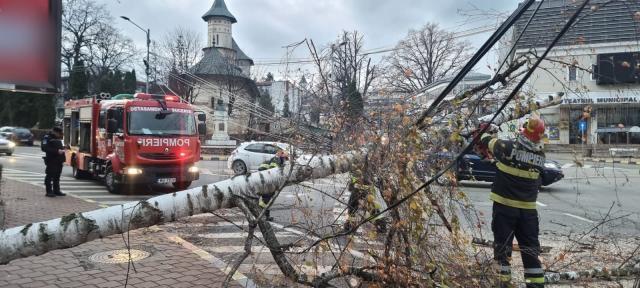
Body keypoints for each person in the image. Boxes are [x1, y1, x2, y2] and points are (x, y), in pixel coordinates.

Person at [478, 114, 546, 288]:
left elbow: (486, 139)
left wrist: (485, 129)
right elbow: (515, 167)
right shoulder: (540, 157)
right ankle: (535, 284)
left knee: (502, 250)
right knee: (531, 252)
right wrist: (495, 163)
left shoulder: (506, 147)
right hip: (528, 214)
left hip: (505, 209)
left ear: (524, 133)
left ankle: (503, 284)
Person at [257, 149, 288, 221]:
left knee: (267, 199)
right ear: (282, 155)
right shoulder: (276, 160)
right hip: (267, 181)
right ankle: (261, 214)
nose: (285, 160)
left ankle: (264, 215)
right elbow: (273, 172)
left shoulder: (276, 159)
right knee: (267, 199)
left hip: (264, 180)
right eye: (285, 158)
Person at [43, 127, 67, 197]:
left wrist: (64, 147)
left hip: (59, 160)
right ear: (54, 132)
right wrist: (57, 151)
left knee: (57, 176)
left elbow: (60, 146)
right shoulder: (47, 138)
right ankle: (49, 191)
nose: (59, 135)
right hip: (51, 160)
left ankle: (56, 190)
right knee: (50, 176)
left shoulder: (58, 137)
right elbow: (44, 148)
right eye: (58, 133)